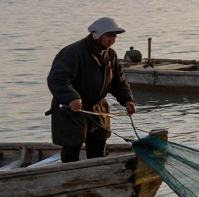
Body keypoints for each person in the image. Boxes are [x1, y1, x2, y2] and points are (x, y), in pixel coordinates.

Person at [46, 17, 136, 163]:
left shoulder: (111, 55)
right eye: (109, 35)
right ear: (96, 35)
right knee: (72, 144)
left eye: (114, 36)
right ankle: (69, 177)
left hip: (97, 107)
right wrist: (71, 97)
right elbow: (57, 80)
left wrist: (127, 100)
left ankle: (96, 173)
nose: (112, 39)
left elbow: (118, 82)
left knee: (98, 142)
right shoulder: (72, 52)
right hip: (71, 108)